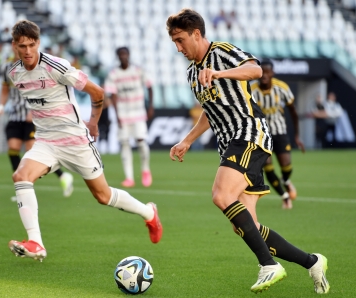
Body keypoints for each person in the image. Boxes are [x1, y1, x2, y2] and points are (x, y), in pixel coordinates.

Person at [166, 9, 329, 294]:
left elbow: (254, 69)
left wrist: (218, 73)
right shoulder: (193, 73)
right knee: (246, 224)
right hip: (230, 142)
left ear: (196, 34)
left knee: (221, 195)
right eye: (174, 43)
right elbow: (209, 110)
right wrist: (187, 140)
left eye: (180, 40)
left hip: (249, 133)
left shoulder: (221, 52)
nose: (178, 48)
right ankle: (312, 262)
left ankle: (269, 265)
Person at [5, 20, 162, 261]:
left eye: (31, 45)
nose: (27, 51)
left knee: (103, 196)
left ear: (38, 43)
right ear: (14, 45)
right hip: (46, 141)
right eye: (21, 46)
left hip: (75, 141)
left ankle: (149, 213)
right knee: (20, 176)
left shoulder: (57, 66)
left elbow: (97, 92)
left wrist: (93, 122)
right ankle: (36, 242)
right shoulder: (14, 73)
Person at [0, 50, 75, 200]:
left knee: (32, 152)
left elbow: (43, 91)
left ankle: (59, 177)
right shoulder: (6, 68)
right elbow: (5, 89)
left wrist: (34, 111)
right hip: (15, 116)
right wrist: (0, 106)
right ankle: (23, 187)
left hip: (33, 117)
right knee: (13, 148)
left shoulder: (34, 66)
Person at [251, 59, 305, 209]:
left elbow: (293, 112)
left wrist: (297, 136)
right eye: (262, 72)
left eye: (268, 72)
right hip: (261, 135)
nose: (265, 75)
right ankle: (285, 196)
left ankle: (286, 181)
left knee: (286, 166)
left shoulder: (281, 88)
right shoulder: (252, 90)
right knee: (267, 167)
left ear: (272, 73)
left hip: (279, 131)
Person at [104, 47, 154, 188]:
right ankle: (129, 177)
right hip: (123, 113)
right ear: (118, 57)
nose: (123, 57)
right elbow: (112, 95)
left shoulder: (137, 70)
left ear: (129, 55)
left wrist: (150, 106)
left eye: (125, 54)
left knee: (141, 141)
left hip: (138, 112)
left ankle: (145, 170)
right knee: (125, 143)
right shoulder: (114, 74)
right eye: (121, 55)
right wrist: (117, 115)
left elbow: (149, 86)